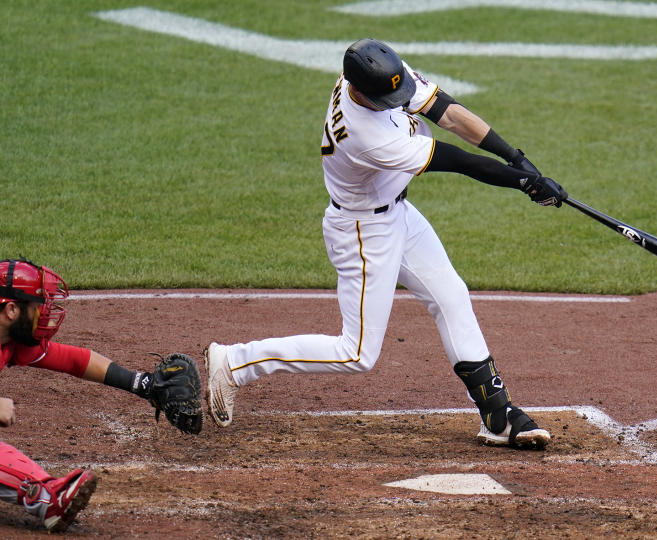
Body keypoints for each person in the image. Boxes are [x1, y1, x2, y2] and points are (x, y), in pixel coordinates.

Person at [206, 38, 567, 450]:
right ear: (357, 90)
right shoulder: (366, 136)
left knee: (450, 295)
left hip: (397, 214)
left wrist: (514, 157)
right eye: (387, 100)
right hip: (363, 231)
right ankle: (234, 364)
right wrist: (524, 183)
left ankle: (497, 416)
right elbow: (457, 161)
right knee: (355, 353)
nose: (396, 102)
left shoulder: (377, 70)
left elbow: (444, 112)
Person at [0, 258, 195, 532]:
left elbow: (72, 360)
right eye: (37, 305)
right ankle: (45, 496)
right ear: (11, 310)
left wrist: (142, 383)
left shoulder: (9, 341)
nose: (45, 312)